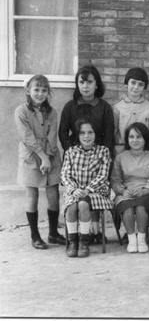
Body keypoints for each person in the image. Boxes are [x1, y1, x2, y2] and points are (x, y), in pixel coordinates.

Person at [59, 64, 115, 244]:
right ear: (77, 84)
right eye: (81, 82)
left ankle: (96, 231)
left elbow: (108, 133)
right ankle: (79, 236)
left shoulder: (104, 107)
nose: (85, 86)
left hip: (98, 157)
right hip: (76, 159)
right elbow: (62, 132)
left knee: (92, 193)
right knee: (78, 198)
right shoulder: (70, 106)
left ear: (96, 84)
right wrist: (73, 150)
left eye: (90, 82)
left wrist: (102, 154)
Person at [15, 75, 65, 249]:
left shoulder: (52, 112)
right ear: (28, 90)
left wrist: (49, 157)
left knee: (53, 194)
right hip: (31, 157)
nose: (40, 93)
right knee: (32, 196)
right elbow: (27, 137)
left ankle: (53, 233)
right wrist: (42, 157)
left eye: (44, 90)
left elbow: (52, 136)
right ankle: (35, 236)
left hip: (50, 157)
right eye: (36, 89)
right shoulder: (21, 111)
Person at [61, 118, 112, 257]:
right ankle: (73, 242)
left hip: (96, 192)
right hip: (75, 191)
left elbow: (103, 175)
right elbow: (65, 175)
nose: (86, 136)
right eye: (82, 133)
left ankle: (84, 242)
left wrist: (88, 189)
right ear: (77, 135)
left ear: (96, 134)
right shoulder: (71, 152)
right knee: (72, 205)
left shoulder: (103, 151)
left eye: (90, 132)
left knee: (83, 204)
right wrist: (73, 189)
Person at [111, 123, 149, 254]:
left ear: (145, 139)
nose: (135, 140)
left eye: (139, 137)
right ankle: (132, 240)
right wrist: (123, 191)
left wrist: (146, 191)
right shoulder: (120, 157)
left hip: (146, 192)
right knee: (127, 208)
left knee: (140, 207)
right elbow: (115, 180)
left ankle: (142, 239)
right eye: (131, 137)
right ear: (127, 139)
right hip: (126, 191)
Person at [113, 67, 149, 155]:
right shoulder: (117, 108)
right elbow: (114, 133)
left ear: (144, 87)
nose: (136, 87)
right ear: (126, 84)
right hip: (122, 152)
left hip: (144, 152)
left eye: (140, 84)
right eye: (133, 83)